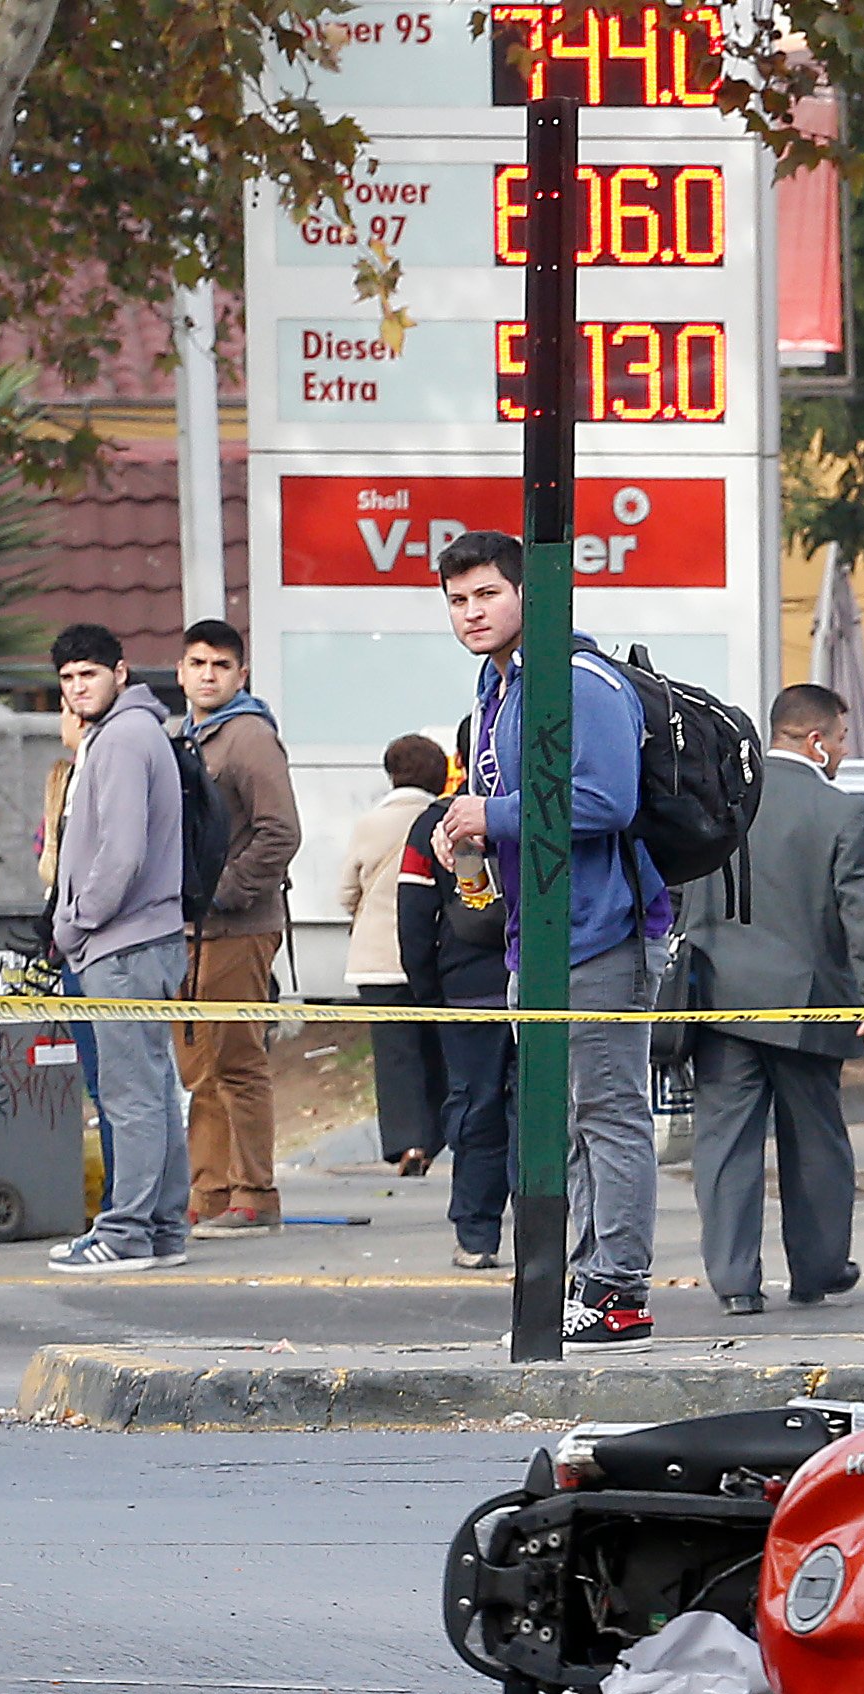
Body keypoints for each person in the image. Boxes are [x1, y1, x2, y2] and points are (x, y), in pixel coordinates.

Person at [430, 528, 665, 1342]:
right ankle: (583, 1283)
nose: (471, 612)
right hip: (537, 935)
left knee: (608, 1112)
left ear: (532, 592)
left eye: (487, 594)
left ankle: (619, 1291)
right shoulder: (496, 687)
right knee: (562, 1119)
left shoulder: (576, 679)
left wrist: (489, 814)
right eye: (458, 600)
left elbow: (608, 802)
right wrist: (474, 836)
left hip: (601, 930)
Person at [676, 685, 864, 1314]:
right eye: (843, 739)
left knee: (723, 1143)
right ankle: (819, 1268)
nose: (845, 752)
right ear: (816, 741)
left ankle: (735, 1281)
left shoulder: (721, 803)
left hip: (716, 998)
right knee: (816, 1141)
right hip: (807, 1005)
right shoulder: (842, 813)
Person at [40, 624, 193, 1272]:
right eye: (69, 679)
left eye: (90, 675)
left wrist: (75, 923)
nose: (79, 689)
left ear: (120, 673)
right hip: (139, 939)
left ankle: (126, 1232)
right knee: (153, 1089)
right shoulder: (127, 733)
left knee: (131, 1095)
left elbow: (122, 853)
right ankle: (161, 1227)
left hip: (123, 944)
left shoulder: (125, 738)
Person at [174, 619, 304, 1236]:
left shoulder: (249, 736)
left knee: (237, 1062)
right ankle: (210, 1190)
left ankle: (255, 1192)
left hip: (237, 926)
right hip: (188, 932)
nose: (207, 674)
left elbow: (281, 830)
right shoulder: (187, 737)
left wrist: (222, 892)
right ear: (180, 672)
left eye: (220, 665)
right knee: (198, 1067)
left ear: (240, 675)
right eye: (197, 663)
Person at [393, 770, 514, 1272]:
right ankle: (543, 1233)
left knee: (475, 1109)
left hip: (469, 991)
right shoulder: (542, 809)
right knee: (541, 1111)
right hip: (548, 981)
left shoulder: (433, 824)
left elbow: (414, 915)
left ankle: (477, 1234)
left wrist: (429, 991)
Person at [340, 733, 449, 1178]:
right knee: (438, 1050)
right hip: (433, 955)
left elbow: (346, 892)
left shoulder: (370, 823)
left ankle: (407, 1142)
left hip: (377, 958)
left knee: (395, 1055)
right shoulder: (443, 820)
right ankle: (439, 1134)